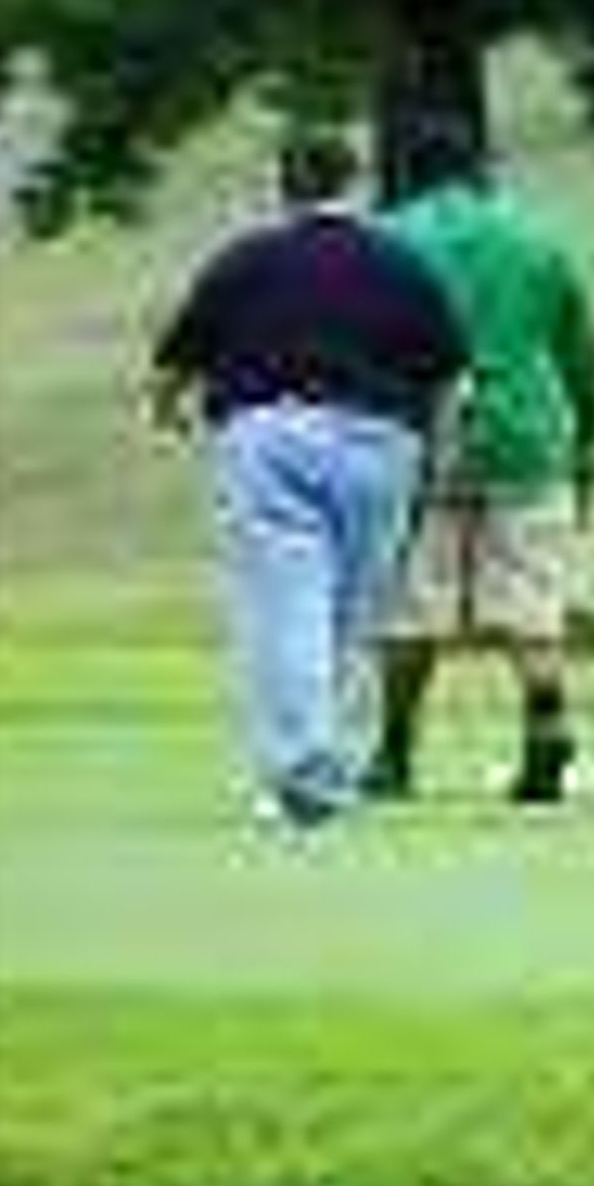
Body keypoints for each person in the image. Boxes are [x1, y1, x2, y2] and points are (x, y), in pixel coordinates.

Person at [148, 129, 469, 831]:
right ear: (352, 182)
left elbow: (174, 363)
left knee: (283, 608)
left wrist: (169, 410)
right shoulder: (403, 263)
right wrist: (438, 463)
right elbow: (449, 381)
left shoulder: (246, 258)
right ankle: (333, 769)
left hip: (269, 441)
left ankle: (299, 773)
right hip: (382, 445)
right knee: (354, 615)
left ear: (285, 185)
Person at [372, 113, 594, 805]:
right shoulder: (537, 239)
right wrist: (588, 440)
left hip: (423, 436)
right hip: (530, 432)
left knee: (414, 601)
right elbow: (578, 352)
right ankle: (546, 724)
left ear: (409, 170)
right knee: (531, 598)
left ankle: (393, 753)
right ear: (481, 169)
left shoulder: (388, 239)